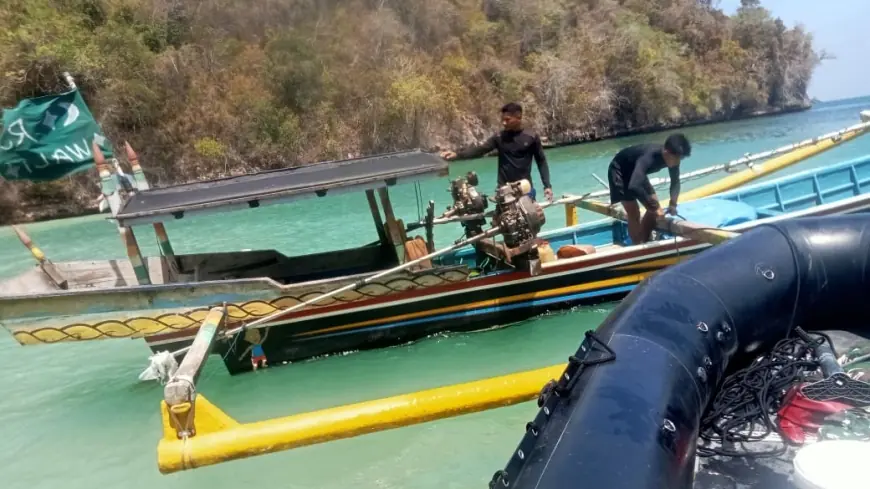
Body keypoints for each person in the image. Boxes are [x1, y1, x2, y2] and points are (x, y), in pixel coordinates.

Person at [440, 103, 553, 202]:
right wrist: (457, 155)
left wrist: (547, 186)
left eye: (507, 120)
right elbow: (480, 150)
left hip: (525, 188)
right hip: (503, 190)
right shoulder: (499, 138)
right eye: (502, 120)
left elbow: (541, 161)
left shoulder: (531, 137)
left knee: (531, 221)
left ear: (518, 117)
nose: (504, 123)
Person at [607, 134, 692, 244]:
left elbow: (675, 181)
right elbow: (634, 185)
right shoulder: (649, 156)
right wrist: (654, 207)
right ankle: (637, 246)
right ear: (666, 153)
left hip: (637, 173)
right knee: (635, 213)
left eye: (681, 158)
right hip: (619, 171)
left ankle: (644, 238)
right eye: (677, 158)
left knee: (654, 207)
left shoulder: (673, 158)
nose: (678, 162)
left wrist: (673, 204)